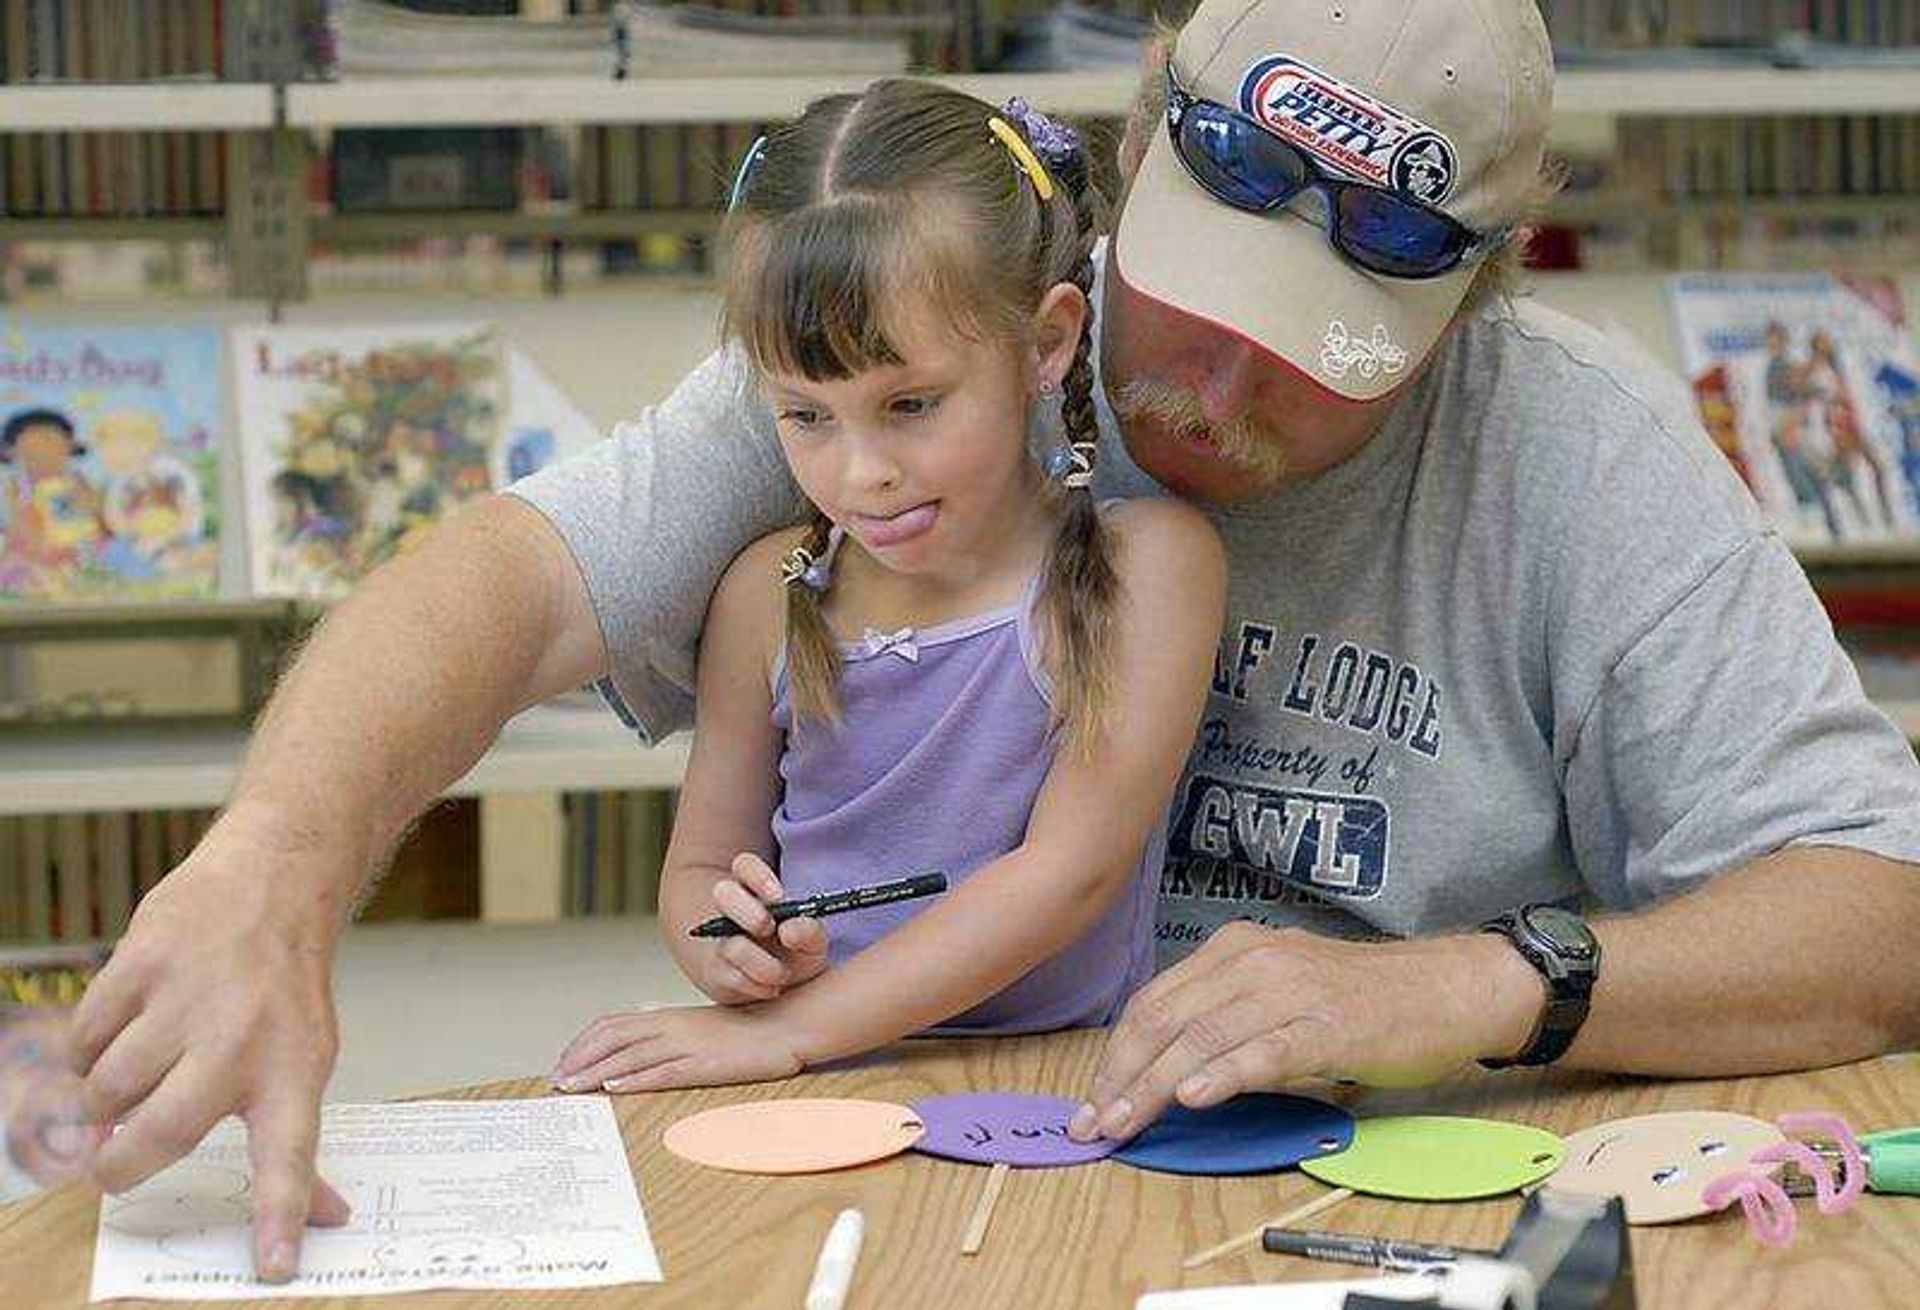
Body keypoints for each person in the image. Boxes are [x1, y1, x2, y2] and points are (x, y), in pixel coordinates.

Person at [65, 0, 1920, 1283]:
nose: (1213, 391)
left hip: (1385, 1220)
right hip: (922, 1167)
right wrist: (272, 872)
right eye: (1188, 306)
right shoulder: (928, 336)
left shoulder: (1580, 455)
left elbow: (1877, 906)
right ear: (1128, 164)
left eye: (1320, 358)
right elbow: (520, 573)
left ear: (1482, 298)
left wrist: (1475, 982)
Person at [549, 81, 1222, 1095]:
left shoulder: (1153, 567)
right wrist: (724, 946)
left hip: (1058, 1087)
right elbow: (699, 870)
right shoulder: (766, 596)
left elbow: (1067, 875)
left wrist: (797, 1030)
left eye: (909, 403)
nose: (862, 472)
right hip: (806, 1082)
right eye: (806, 416)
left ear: (1046, 342)